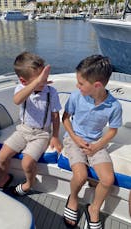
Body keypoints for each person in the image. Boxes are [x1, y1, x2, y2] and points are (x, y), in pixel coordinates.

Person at [62, 55, 122, 228]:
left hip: (96, 143)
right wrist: (75, 138)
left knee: (107, 180)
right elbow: (66, 119)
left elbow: (112, 131)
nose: (77, 86)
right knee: (80, 176)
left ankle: (93, 209)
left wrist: (97, 146)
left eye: (81, 83)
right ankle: (73, 199)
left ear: (96, 85)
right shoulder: (76, 96)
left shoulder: (114, 106)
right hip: (74, 140)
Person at [0, 51, 62, 195]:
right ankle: (4, 177)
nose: (44, 82)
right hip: (23, 130)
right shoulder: (21, 89)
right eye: (40, 80)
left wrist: (55, 136)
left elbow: (55, 115)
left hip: (41, 134)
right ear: (23, 81)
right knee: (1, 157)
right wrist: (35, 84)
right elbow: (17, 100)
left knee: (27, 163)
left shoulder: (51, 92)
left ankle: (28, 184)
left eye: (45, 78)